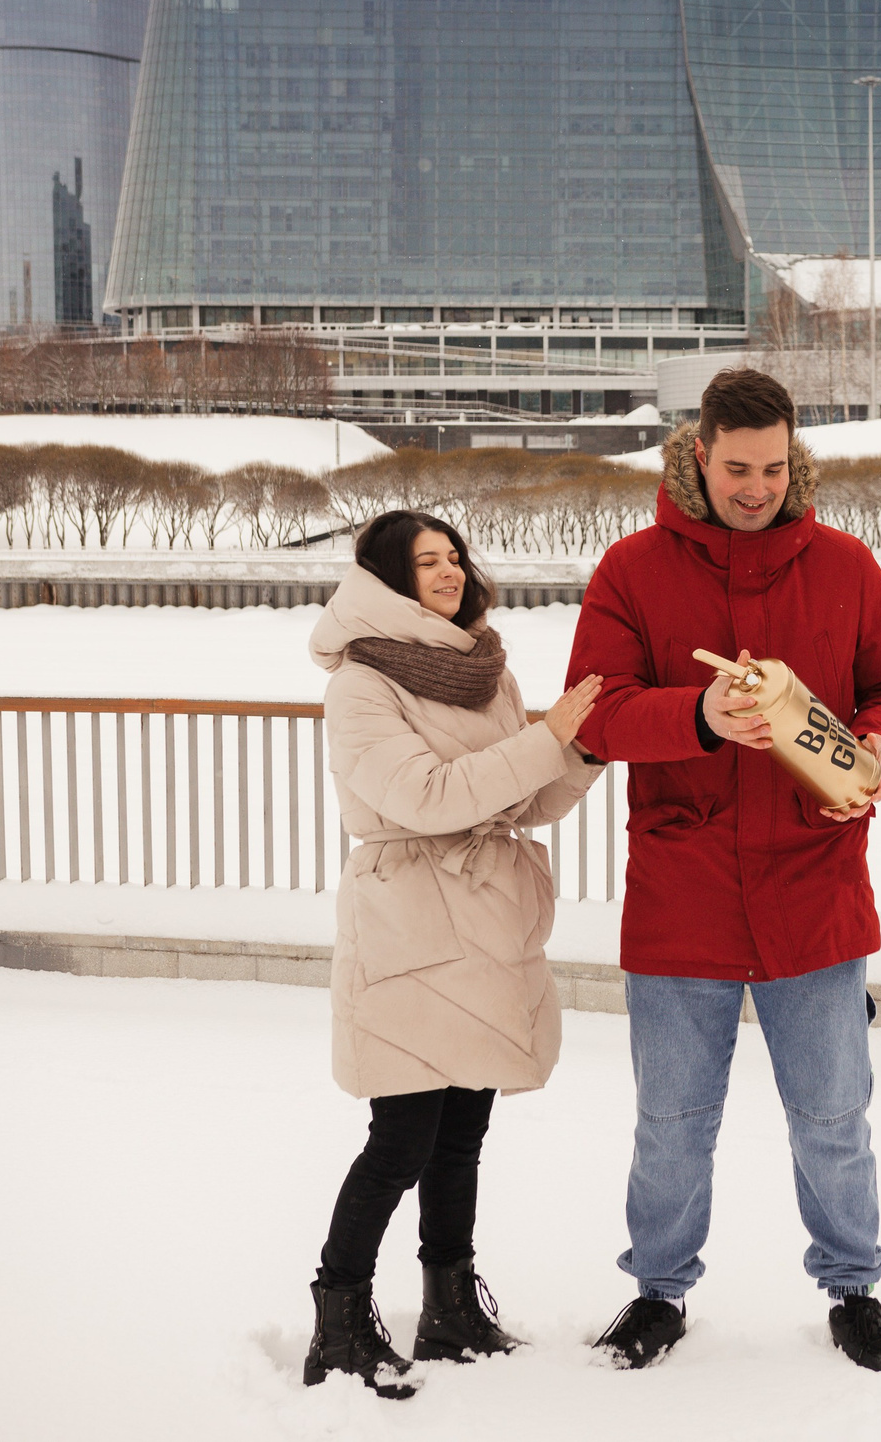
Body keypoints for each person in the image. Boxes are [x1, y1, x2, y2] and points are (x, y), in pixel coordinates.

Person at [566, 367, 881, 1374]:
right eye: (737, 468)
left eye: (774, 468)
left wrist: (868, 747)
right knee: (672, 1121)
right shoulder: (631, 570)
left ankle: (854, 1287)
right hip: (682, 896)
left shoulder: (846, 565)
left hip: (814, 894)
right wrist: (693, 716)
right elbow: (593, 714)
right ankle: (657, 1288)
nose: (757, 486)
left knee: (833, 1114)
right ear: (698, 454)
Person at [301, 509, 607, 1399]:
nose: (447, 571)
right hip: (409, 926)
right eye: (426, 561)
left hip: (482, 924)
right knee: (400, 1137)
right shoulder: (361, 684)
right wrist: (546, 739)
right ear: (388, 581)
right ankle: (340, 1317)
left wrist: (579, 748)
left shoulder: (484, 669)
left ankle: (448, 1307)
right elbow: (427, 796)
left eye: (454, 556)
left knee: (463, 1133)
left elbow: (523, 800)